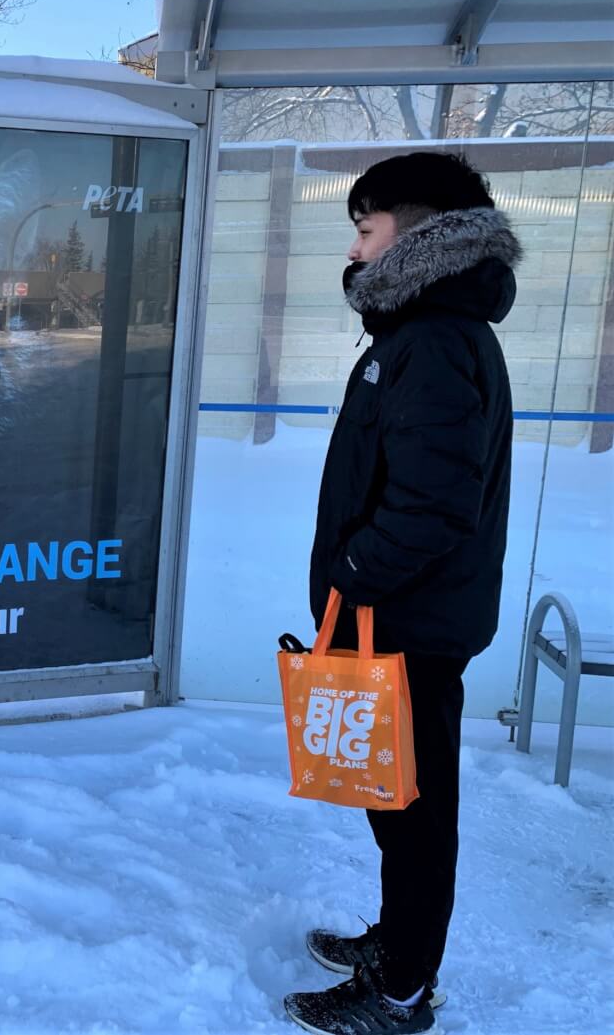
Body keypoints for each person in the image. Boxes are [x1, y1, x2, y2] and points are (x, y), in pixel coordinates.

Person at [284, 151, 520, 1035]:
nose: (353, 245)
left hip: (410, 623)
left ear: (418, 234)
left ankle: (402, 993)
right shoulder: (421, 331)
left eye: (366, 226)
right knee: (395, 800)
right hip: (397, 618)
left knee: (417, 813)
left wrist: (352, 572)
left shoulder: (432, 340)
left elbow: (431, 507)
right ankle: (396, 941)